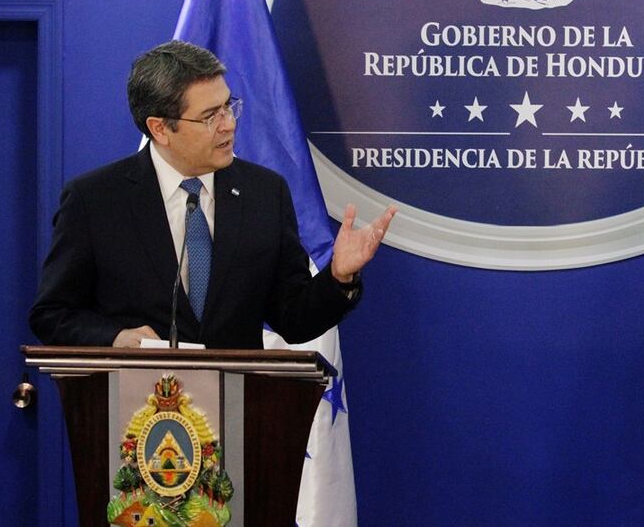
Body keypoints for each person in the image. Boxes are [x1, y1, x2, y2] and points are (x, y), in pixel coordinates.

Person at [30, 40, 396, 349]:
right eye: (210, 116)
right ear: (160, 128)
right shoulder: (96, 200)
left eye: (227, 106)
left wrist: (339, 277)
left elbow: (293, 319)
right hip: (137, 418)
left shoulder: (264, 194)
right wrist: (116, 337)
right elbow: (52, 314)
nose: (229, 124)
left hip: (237, 414)